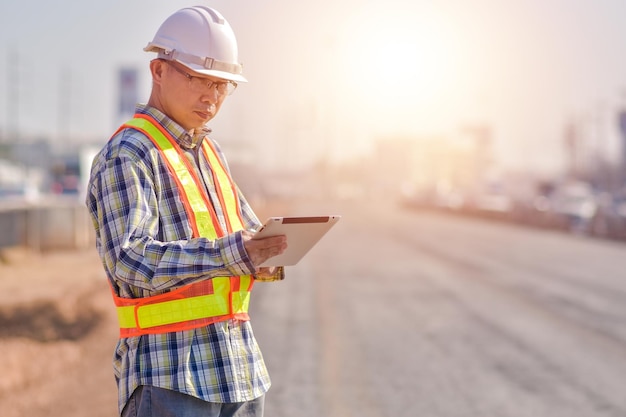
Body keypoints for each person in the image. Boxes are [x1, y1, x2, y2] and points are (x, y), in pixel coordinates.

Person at [85, 6, 287, 417]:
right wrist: (233, 253)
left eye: (223, 85)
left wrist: (269, 253)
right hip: (171, 377)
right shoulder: (129, 153)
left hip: (238, 371)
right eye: (201, 80)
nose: (212, 97)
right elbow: (129, 260)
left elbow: (242, 236)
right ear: (159, 70)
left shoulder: (210, 153)